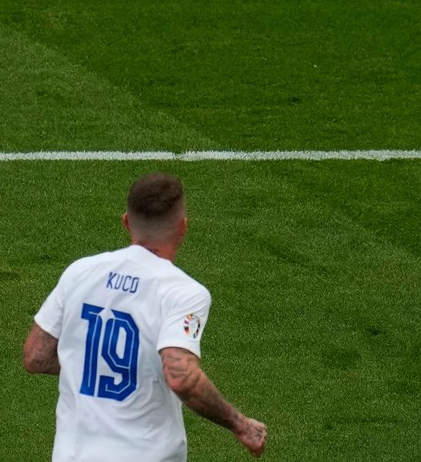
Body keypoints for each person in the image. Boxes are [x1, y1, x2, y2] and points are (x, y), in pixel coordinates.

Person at [23, 173, 267, 459]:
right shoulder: (184, 292)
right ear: (183, 227)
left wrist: (92, 367)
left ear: (126, 221)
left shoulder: (80, 271)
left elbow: (36, 356)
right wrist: (241, 425)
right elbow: (181, 377)